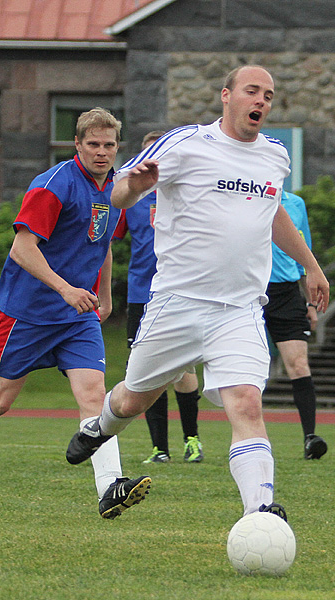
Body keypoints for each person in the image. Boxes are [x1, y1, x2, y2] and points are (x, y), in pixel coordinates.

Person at [64, 65, 330, 522]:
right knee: (133, 400)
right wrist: (138, 186)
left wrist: (311, 265)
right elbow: (121, 191)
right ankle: (99, 427)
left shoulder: (274, 155)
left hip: (241, 308)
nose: (261, 101)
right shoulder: (186, 142)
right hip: (177, 304)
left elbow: (272, 213)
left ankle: (260, 510)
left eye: (268, 95)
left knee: (246, 402)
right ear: (226, 96)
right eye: (252, 91)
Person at [0, 108, 150, 518]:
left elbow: (103, 241)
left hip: (77, 316)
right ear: (76, 145)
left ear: (118, 147)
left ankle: (110, 486)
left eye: (109, 145)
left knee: (95, 396)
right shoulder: (55, 185)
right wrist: (65, 289)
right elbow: (22, 248)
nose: (101, 152)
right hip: (29, 311)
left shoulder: (115, 187)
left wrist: (105, 294)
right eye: (92, 144)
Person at [112, 130, 204, 464]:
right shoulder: (132, 200)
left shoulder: (188, 193)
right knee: (148, 370)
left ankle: (192, 440)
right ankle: (159, 448)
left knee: (183, 370)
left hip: (180, 290)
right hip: (141, 292)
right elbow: (110, 240)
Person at [265, 190, 328, 460]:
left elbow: (304, 255)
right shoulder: (246, 193)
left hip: (286, 293)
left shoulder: (295, 204)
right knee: (250, 366)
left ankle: (310, 438)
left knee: (299, 364)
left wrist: (311, 304)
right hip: (248, 290)